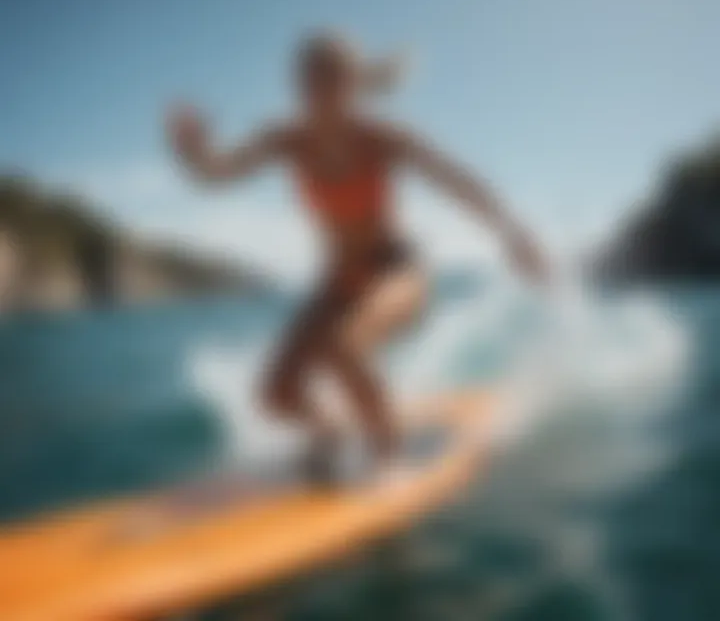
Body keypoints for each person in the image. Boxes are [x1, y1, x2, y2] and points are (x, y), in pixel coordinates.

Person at [167, 31, 548, 482]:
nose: (316, 87)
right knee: (276, 397)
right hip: (338, 283)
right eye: (307, 76)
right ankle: (330, 433)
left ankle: (391, 461)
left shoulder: (381, 139)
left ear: (352, 84)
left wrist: (513, 233)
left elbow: (458, 181)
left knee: (343, 349)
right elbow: (217, 174)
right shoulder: (285, 140)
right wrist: (193, 153)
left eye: (329, 76)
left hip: (396, 272)